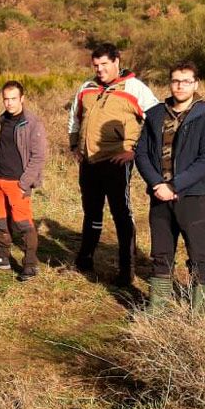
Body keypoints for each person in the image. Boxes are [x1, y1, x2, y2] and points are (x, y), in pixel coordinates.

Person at [67, 42, 160, 286]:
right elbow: (75, 118)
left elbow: (158, 122)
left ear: (117, 61)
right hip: (89, 162)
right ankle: (85, 260)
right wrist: (74, 145)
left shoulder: (134, 88)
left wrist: (136, 151)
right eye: (96, 65)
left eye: (104, 64)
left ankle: (126, 269)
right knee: (91, 212)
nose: (100, 70)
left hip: (118, 161)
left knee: (121, 213)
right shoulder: (86, 88)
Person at [135, 61, 205, 313]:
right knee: (161, 253)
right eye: (175, 80)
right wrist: (156, 183)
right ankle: (158, 306)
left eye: (186, 81)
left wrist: (175, 185)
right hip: (159, 194)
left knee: (198, 253)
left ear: (195, 84)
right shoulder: (154, 114)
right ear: (169, 83)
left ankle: (199, 310)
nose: (180, 86)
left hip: (193, 195)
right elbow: (141, 153)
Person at [0, 81, 47, 281]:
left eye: (13, 99)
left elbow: (39, 156)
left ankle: (30, 265)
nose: (9, 103)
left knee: (23, 225)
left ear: (22, 99)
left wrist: (24, 183)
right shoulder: (1, 120)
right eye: (6, 99)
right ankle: (1, 259)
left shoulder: (32, 123)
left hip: (18, 184)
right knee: (1, 222)